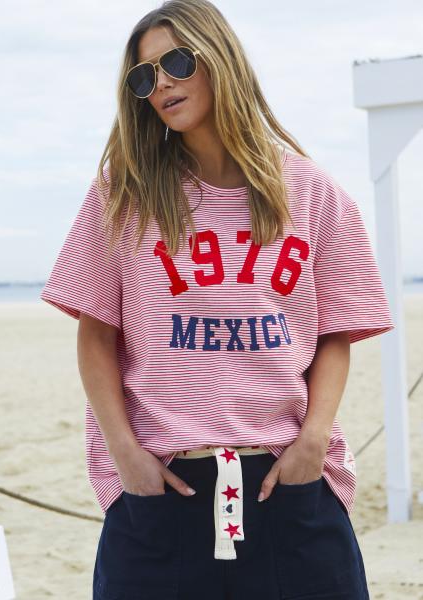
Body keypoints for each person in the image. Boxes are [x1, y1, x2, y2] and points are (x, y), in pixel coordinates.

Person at [40, 1, 395, 598]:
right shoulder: (123, 194)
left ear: (221, 59)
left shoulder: (312, 193)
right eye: (144, 76)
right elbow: (96, 332)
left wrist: (312, 442)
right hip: (161, 487)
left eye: (177, 62)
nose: (161, 84)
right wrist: (125, 455)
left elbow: (336, 332)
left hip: (288, 482)